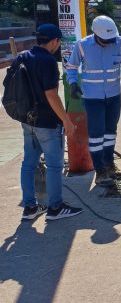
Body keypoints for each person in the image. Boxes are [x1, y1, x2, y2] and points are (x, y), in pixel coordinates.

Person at [8, 24, 82, 221]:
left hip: (27, 120)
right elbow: (51, 94)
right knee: (55, 165)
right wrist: (66, 120)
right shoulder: (48, 61)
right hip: (47, 122)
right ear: (55, 41)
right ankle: (55, 207)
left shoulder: (23, 56)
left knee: (29, 164)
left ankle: (30, 207)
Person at [66, 15, 121, 187]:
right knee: (96, 134)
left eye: (111, 38)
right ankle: (100, 170)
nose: (109, 42)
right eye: (105, 40)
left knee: (111, 131)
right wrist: (73, 84)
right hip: (92, 98)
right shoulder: (82, 45)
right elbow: (72, 67)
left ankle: (108, 163)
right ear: (95, 35)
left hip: (114, 96)